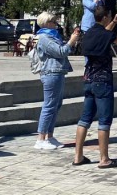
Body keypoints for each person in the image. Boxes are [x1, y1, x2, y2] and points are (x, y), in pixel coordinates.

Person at [73, 7, 117, 168]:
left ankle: (78, 156)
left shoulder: (89, 33)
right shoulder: (105, 35)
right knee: (104, 121)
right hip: (103, 81)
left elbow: (104, 33)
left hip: (88, 79)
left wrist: (114, 21)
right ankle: (104, 159)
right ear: (105, 17)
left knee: (85, 119)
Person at [34, 12, 80, 150]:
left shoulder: (53, 36)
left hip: (58, 72)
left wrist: (72, 41)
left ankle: (50, 136)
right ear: (46, 23)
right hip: (51, 73)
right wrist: (71, 41)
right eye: (53, 22)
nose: (56, 24)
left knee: (56, 105)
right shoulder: (44, 38)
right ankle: (40, 138)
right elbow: (60, 52)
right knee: (49, 105)